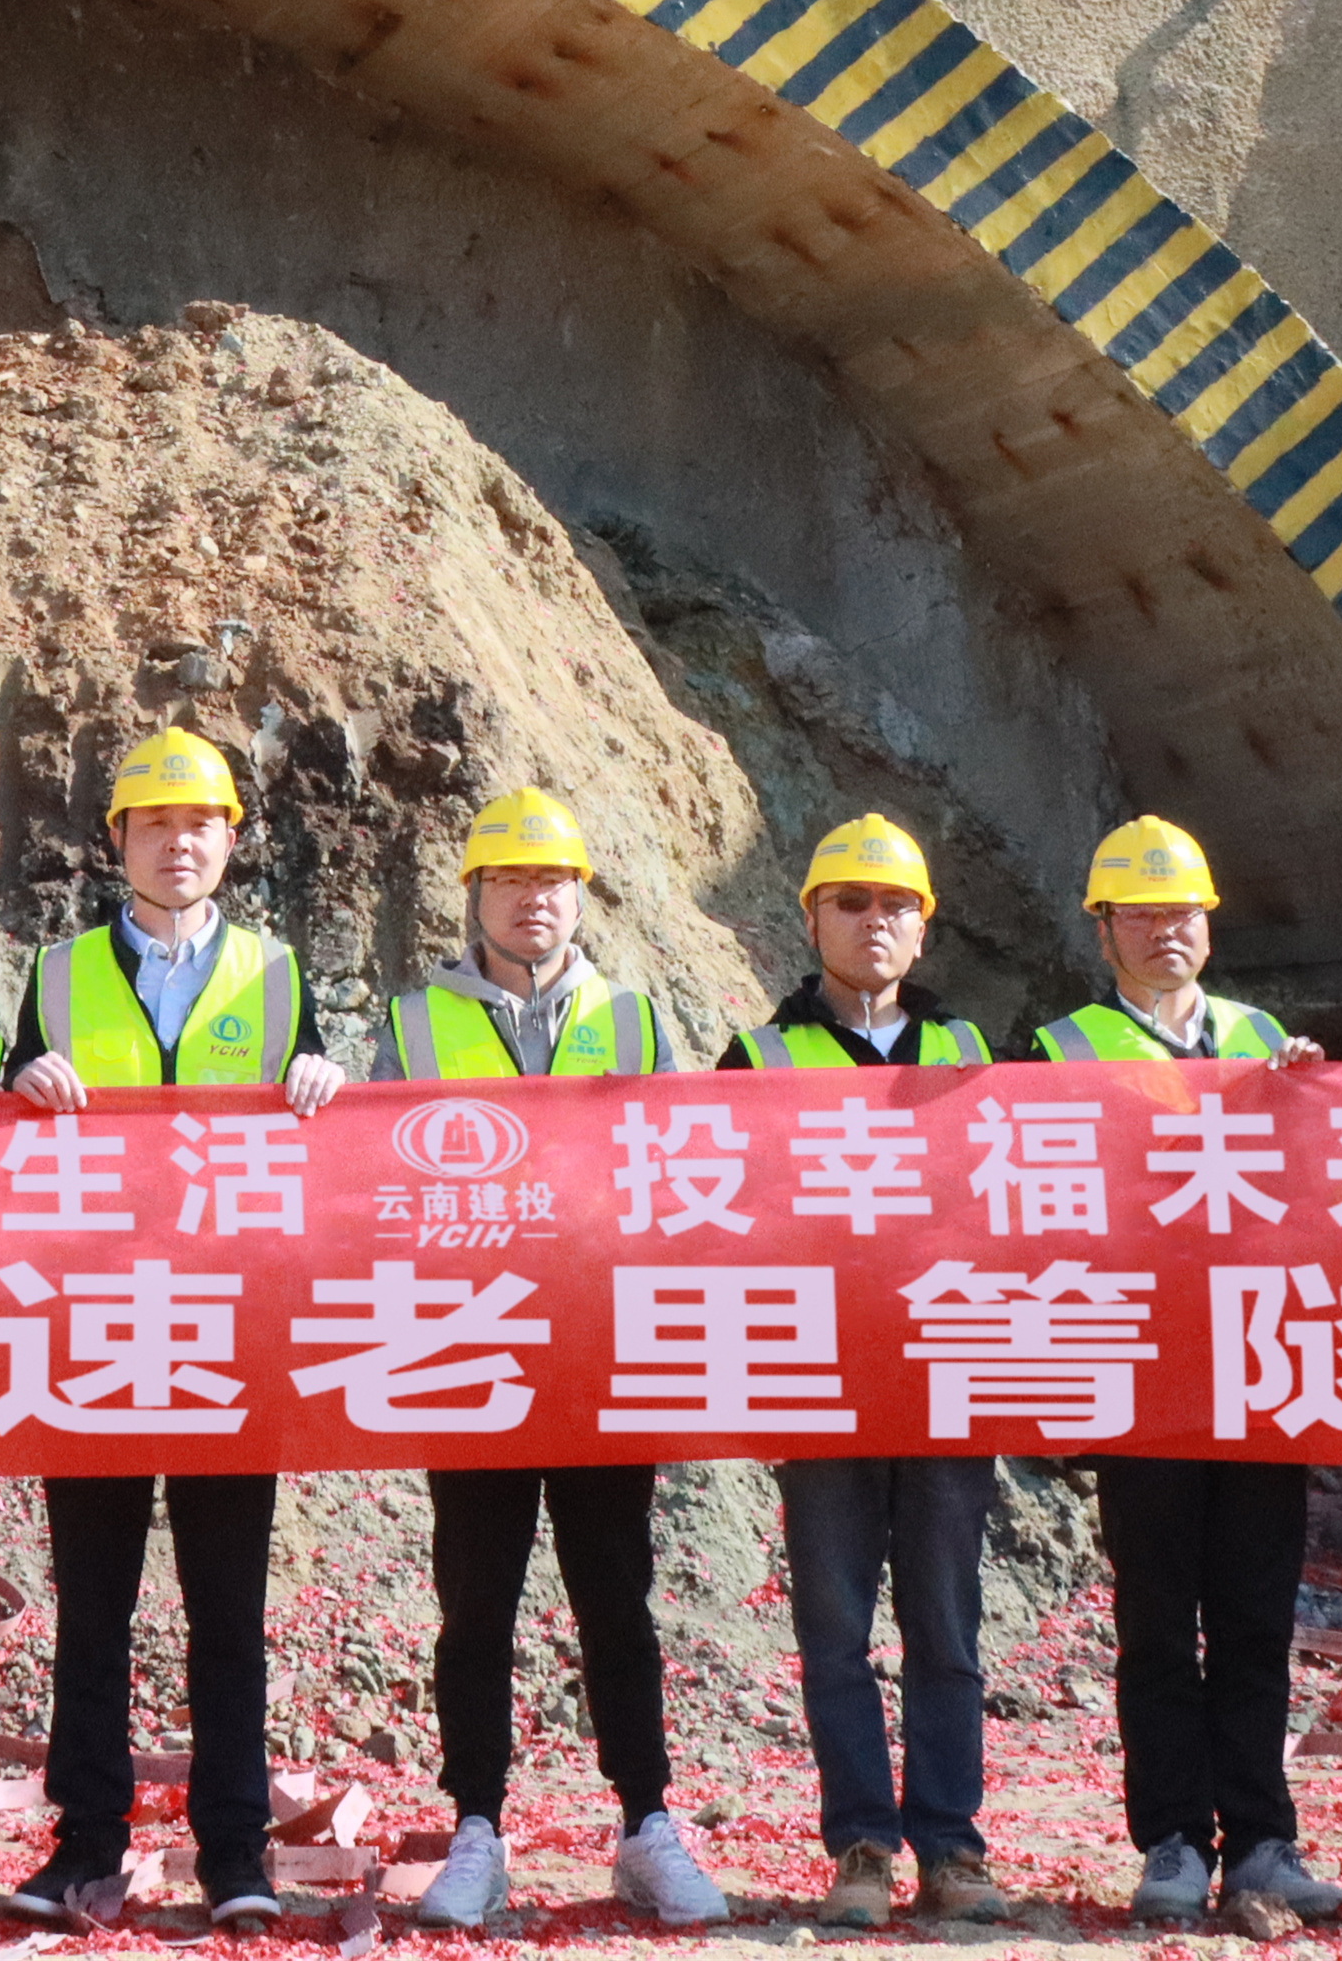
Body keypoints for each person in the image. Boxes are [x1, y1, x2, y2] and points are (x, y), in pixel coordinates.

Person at [0, 724, 348, 1929]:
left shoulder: (280, 975)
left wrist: (322, 1086)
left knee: (226, 1617)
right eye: (155, 823)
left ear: (230, 841)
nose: (178, 841)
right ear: (118, 845)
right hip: (89, 1328)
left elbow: (326, 1153)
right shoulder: (52, 976)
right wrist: (19, 1084)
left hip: (225, 1336)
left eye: (199, 822)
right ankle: (85, 1845)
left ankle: (233, 1859)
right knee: (90, 1611)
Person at [378, 788, 725, 1936]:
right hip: (466, 1354)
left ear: (582, 894)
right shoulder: (414, 1023)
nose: (536, 900)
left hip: (598, 1360)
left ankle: (644, 1825)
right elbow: (370, 1191)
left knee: (614, 1602)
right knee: (474, 1608)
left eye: (555, 881)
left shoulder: (632, 1023)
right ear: (473, 895)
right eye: (512, 881)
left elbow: (686, 1180)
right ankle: (477, 1828)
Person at [1040, 815, 1342, 1932]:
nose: (1165, 930)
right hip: (1135, 1369)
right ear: (1103, 926)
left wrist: (1315, 1099)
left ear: (1209, 923)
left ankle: (1263, 1838)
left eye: (1183, 912)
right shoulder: (1060, 1047)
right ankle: (1171, 1837)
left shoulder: (1266, 1040)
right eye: (1141, 912)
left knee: (1258, 1616)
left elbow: (1320, 1197)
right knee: (1158, 1619)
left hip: (1256, 1365)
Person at [720, 816, 1004, 1932]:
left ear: (923, 930)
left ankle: (952, 1847)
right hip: (817, 1378)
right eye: (851, 902)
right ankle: (859, 1844)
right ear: (811, 921)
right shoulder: (757, 1059)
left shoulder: (976, 1060)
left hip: (945, 1373)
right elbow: (722, 1220)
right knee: (833, 1631)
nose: (872, 921)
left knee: (945, 1628)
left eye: (895, 905)